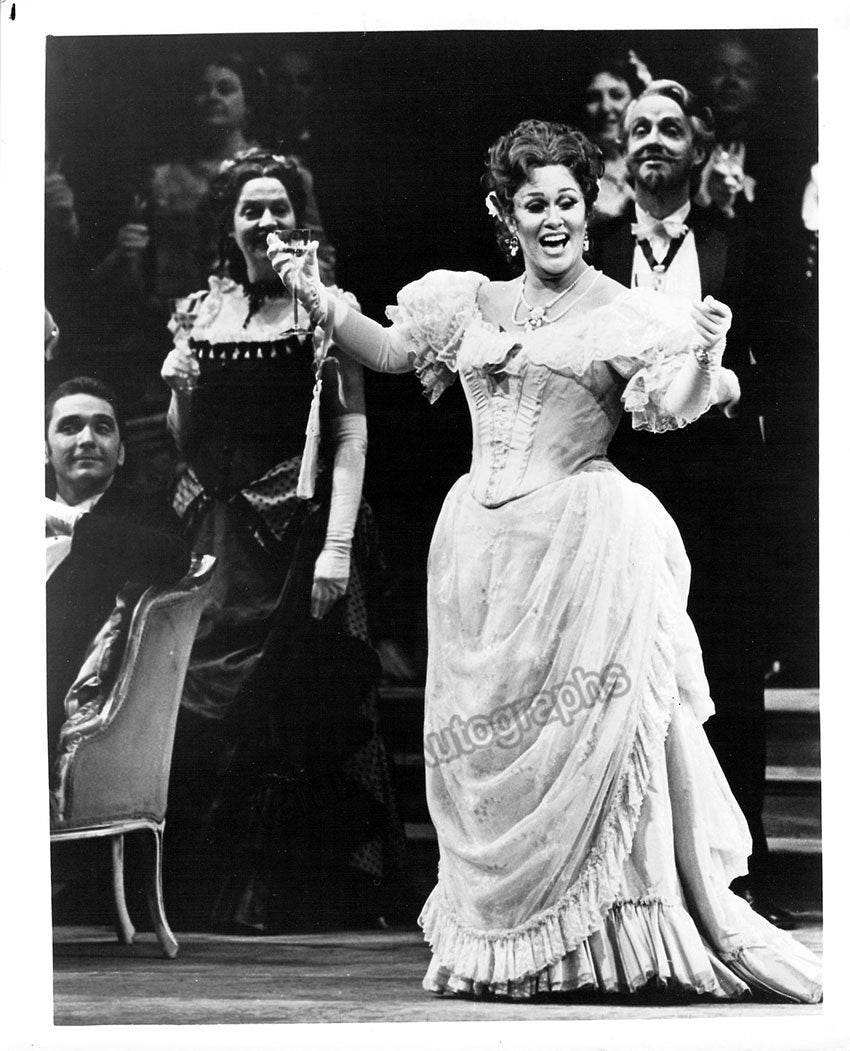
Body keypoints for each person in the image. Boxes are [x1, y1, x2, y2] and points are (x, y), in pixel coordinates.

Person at [267, 118, 821, 1002]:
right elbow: (392, 351)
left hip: (582, 546)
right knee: (495, 747)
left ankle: (605, 941)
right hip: (479, 551)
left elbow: (672, 406)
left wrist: (708, 352)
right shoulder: (468, 301)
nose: (554, 218)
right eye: (535, 204)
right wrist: (321, 298)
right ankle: (508, 944)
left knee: (585, 745)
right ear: (506, 214)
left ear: (588, 208)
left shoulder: (623, 311)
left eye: (568, 201)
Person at [160, 148, 406, 932]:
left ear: (300, 220)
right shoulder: (199, 310)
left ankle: (300, 892)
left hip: (296, 532)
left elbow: (351, 436)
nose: (266, 222)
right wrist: (178, 394)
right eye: (251, 210)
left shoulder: (325, 306)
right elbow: (187, 438)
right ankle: (205, 892)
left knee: (293, 710)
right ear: (228, 225)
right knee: (209, 701)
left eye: (279, 208)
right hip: (220, 539)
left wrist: (337, 547)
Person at [591, 79, 792, 927]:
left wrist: (730, 385)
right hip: (624, 482)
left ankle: (742, 875)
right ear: (621, 147)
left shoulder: (743, 246)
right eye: (639, 127)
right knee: (626, 668)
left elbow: (794, 362)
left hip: (720, 490)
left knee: (726, 669)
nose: (653, 141)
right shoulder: (593, 249)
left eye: (670, 128)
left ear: (698, 149)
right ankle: (632, 874)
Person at [90, 52, 335, 410]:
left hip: (265, 328)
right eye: (203, 89)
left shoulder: (283, 174)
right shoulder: (162, 179)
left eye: (225, 88)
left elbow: (319, 257)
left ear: (248, 104)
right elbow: (142, 268)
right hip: (176, 327)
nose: (213, 96)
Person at [45, 376, 191, 765]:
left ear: (121, 452)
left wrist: (64, 520)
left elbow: (172, 557)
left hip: (69, 725)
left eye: (102, 427)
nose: (87, 439)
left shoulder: (146, 514)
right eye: (70, 427)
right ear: (44, 449)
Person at [578, 52, 648, 230]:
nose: (605, 107)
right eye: (594, 98)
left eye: (617, 95)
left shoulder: (655, 160)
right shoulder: (575, 172)